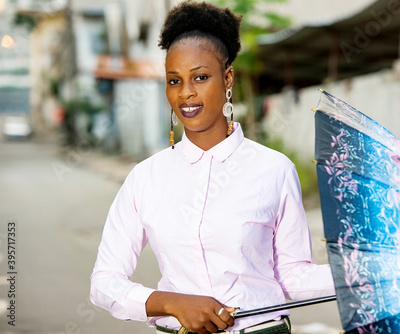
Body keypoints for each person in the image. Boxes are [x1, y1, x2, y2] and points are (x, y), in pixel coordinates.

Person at [90, 2, 335, 334]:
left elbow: (292, 276)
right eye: (174, 81)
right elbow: (104, 282)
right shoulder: (145, 178)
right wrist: (171, 302)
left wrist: (368, 272)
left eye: (200, 77)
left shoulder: (274, 169)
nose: (186, 92)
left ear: (227, 77)